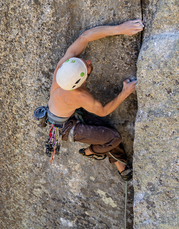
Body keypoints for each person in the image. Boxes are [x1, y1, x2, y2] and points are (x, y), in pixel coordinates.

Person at [47, 19, 144, 181]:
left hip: (61, 111)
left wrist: (120, 29)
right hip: (64, 127)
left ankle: (118, 161)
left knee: (104, 128)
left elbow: (85, 37)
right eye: (86, 66)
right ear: (80, 82)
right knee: (113, 137)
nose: (88, 61)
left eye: (82, 61)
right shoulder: (80, 96)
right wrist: (125, 92)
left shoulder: (63, 67)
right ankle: (91, 151)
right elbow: (104, 110)